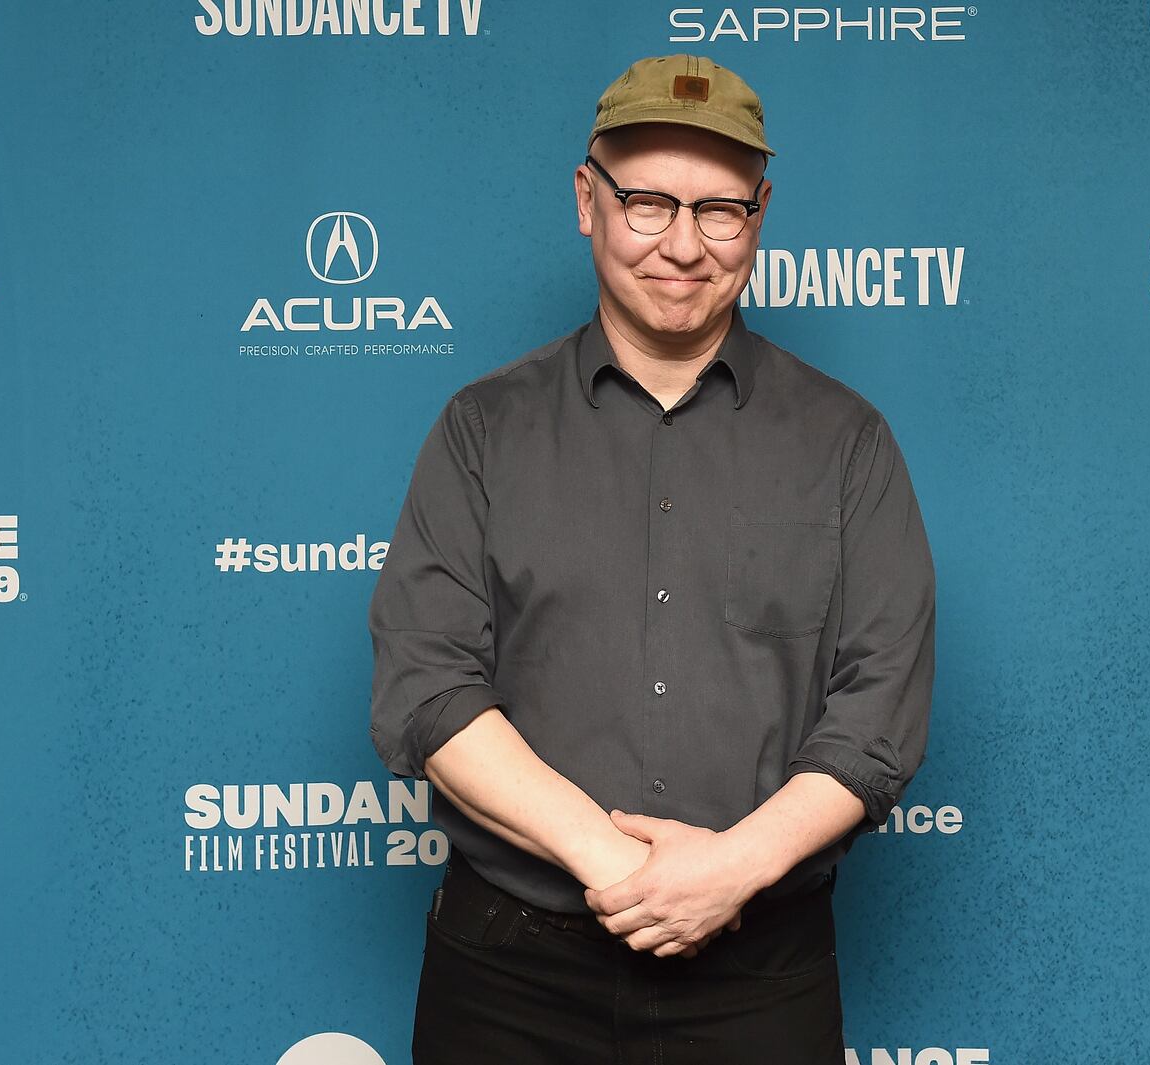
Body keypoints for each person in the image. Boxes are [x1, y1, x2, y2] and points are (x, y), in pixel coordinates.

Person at [368, 52, 936, 1065]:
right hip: (510, 972)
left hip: (757, 972)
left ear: (758, 216)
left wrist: (730, 872)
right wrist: (623, 869)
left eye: (719, 210)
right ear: (588, 202)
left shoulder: (847, 442)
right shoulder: (480, 431)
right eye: (648, 203)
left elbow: (879, 712)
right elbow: (426, 688)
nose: (683, 245)